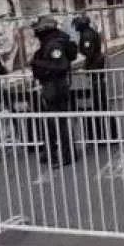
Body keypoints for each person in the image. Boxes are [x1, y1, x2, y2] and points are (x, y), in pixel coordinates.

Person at [31, 16, 78, 167]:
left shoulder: (54, 44)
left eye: (38, 30)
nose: (36, 32)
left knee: (60, 123)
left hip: (56, 87)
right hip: (51, 86)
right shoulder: (51, 42)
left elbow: (61, 66)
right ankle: (49, 151)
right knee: (51, 122)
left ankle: (68, 155)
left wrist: (37, 63)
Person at [73, 15, 107, 110]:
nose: (75, 27)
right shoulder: (88, 32)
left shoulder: (86, 35)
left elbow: (89, 53)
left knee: (97, 85)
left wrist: (84, 67)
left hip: (95, 63)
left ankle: (100, 106)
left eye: (77, 25)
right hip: (97, 61)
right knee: (97, 83)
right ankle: (101, 104)